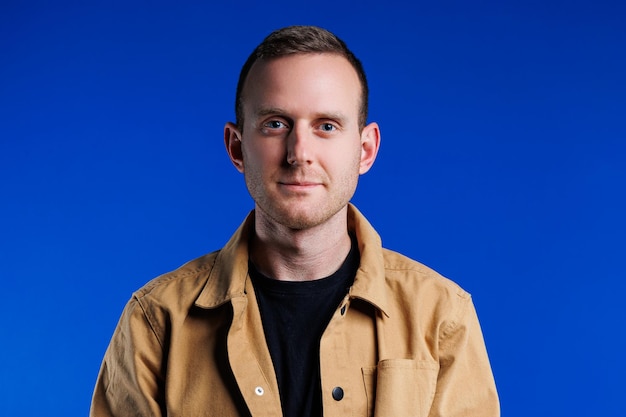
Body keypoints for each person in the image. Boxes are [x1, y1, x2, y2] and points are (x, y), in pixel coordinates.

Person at [90, 25, 499, 417]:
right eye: (275, 124)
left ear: (365, 150)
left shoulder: (442, 316)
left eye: (326, 126)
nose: (299, 152)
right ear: (236, 147)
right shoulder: (156, 321)